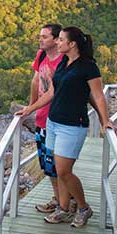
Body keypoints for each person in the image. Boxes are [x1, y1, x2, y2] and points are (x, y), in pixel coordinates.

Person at [19, 27, 114, 228]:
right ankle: (62, 209)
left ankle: (83, 207)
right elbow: (52, 92)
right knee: (59, 170)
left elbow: (97, 95)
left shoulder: (88, 66)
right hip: (53, 122)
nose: (58, 43)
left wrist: (105, 120)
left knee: (63, 171)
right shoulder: (64, 62)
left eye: (61, 40)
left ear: (72, 44)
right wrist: (31, 108)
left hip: (72, 125)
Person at [22, 23, 72, 216]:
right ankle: (58, 199)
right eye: (40, 36)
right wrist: (31, 107)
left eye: (44, 37)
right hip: (42, 119)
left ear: (56, 39)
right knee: (48, 166)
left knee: (61, 168)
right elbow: (35, 80)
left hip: (60, 120)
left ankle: (65, 205)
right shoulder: (41, 55)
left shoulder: (65, 60)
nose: (40, 39)